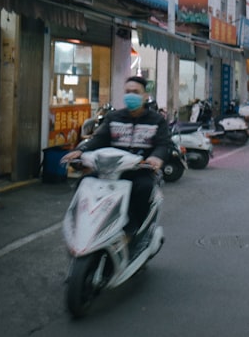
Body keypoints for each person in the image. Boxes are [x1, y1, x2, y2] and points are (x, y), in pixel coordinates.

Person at [61, 76, 173, 251]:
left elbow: (163, 144)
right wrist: (81, 151)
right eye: (127, 92)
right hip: (110, 170)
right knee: (85, 183)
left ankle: (134, 229)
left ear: (145, 96)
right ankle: (82, 227)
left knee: (143, 188)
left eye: (135, 92)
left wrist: (156, 158)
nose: (131, 96)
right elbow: (98, 139)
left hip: (139, 170)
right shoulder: (114, 117)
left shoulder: (156, 120)